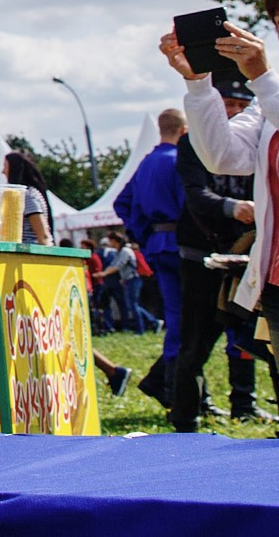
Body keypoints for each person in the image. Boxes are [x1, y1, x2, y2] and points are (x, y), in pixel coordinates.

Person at [171, 68, 276, 430]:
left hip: (248, 254)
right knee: (196, 342)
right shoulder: (191, 142)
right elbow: (197, 196)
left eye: (237, 104)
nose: (231, 110)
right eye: (225, 104)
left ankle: (244, 402)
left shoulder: (262, 132)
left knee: (252, 337)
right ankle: (185, 416)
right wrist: (234, 208)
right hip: (202, 255)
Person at [116, 109, 187, 410]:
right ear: (183, 131)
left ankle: (169, 383)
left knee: (176, 317)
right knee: (191, 319)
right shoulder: (179, 161)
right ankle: (177, 388)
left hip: (158, 244)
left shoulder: (146, 164)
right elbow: (190, 206)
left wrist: (143, 234)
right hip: (183, 245)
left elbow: (122, 202)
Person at [3, 150, 56, 245]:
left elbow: (43, 235)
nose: (3, 171)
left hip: (30, 254)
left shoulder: (26, 195)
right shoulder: (29, 193)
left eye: (5, 166)